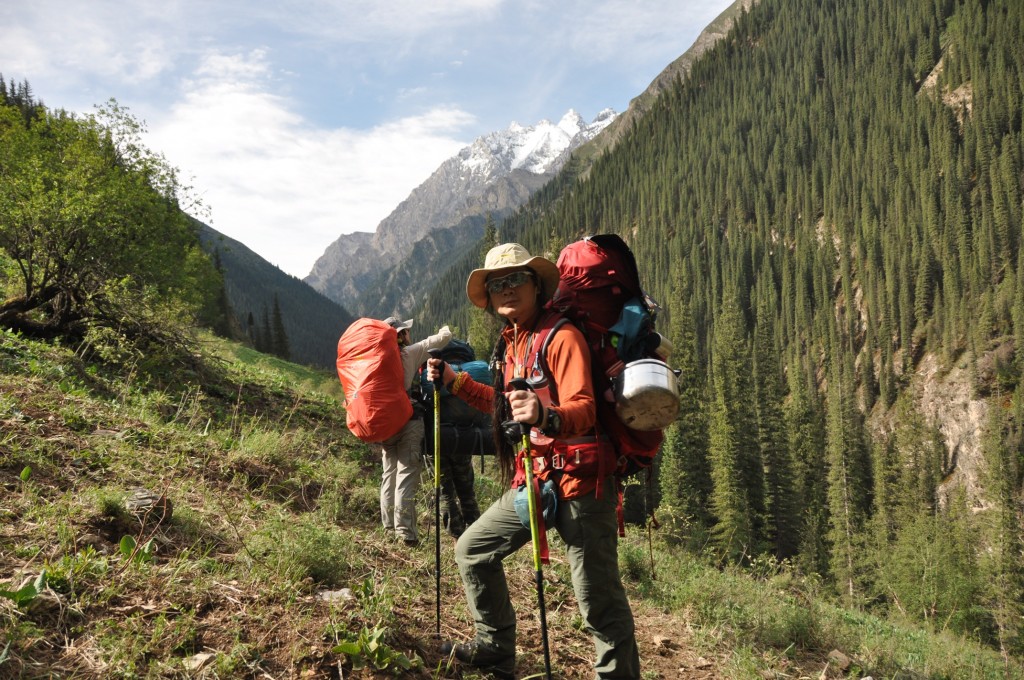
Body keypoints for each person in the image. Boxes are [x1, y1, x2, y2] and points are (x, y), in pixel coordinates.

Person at [427, 243, 640, 679]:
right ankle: (495, 648)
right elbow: (503, 406)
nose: (506, 289)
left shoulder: (562, 337)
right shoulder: (514, 343)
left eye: (515, 280)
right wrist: (454, 381)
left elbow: (585, 408)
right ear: (490, 298)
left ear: (536, 285)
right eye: (496, 284)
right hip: (537, 480)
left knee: (598, 601)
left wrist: (546, 415)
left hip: (582, 485)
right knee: (472, 550)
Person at [379, 317, 451, 547]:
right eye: (406, 331)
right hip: (408, 420)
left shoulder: (378, 358)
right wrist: (445, 327)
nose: (409, 334)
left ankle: (388, 528)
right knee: (406, 474)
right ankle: (406, 534)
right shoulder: (408, 353)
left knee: (389, 474)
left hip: (384, 423)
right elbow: (443, 338)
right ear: (401, 335)